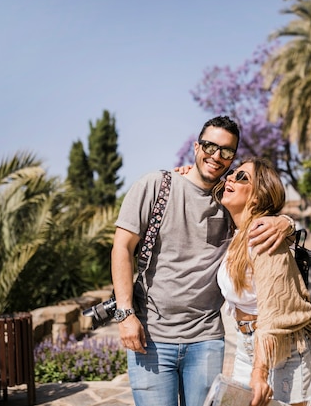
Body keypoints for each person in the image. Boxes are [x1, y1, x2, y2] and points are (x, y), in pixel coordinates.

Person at [110, 116, 294, 406]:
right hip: (151, 337)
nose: (216, 156)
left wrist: (286, 221)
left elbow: (260, 212)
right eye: (210, 146)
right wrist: (125, 314)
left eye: (227, 152)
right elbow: (121, 246)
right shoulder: (155, 186)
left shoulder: (227, 200)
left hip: (206, 339)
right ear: (196, 146)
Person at [216, 157, 311, 406]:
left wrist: (260, 372)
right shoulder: (239, 235)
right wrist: (187, 173)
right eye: (231, 173)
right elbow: (203, 185)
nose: (229, 178)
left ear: (257, 196)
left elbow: (273, 312)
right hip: (247, 345)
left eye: (241, 177)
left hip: (281, 345)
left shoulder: (262, 238)